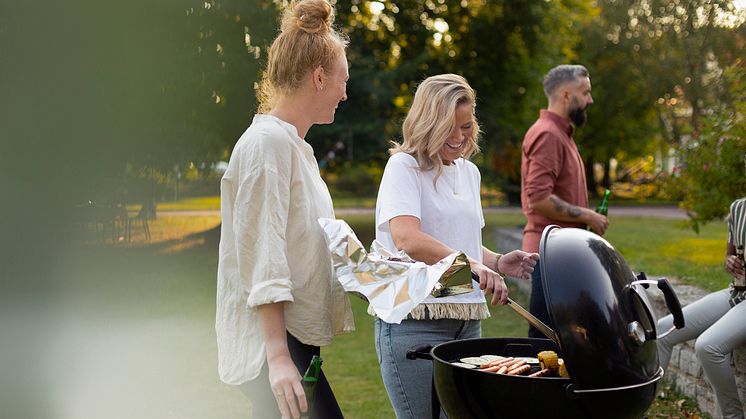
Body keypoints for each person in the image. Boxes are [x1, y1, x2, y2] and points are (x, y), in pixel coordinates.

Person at [215, 1, 353, 418]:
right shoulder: (267, 144)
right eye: (342, 81)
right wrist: (277, 357)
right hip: (272, 345)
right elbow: (264, 252)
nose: (345, 93)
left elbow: (304, 240)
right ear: (318, 77)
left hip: (293, 343)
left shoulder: (294, 147)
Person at [374, 73, 539, 419]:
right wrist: (471, 264)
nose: (458, 136)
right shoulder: (403, 167)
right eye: (449, 126)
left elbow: (463, 244)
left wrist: (495, 262)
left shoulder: (469, 173)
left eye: (465, 126)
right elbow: (407, 237)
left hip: (467, 321)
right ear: (427, 121)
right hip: (415, 320)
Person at [520, 64, 609, 338]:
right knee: (546, 345)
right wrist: (588, 215)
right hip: (551, 257)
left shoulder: (561, 133)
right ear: (566, 95)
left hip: (561, 255)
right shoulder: (548, 134)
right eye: (586, 92)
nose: (590, 100)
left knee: (566, 344)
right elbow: (538, 199)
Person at [657, 197, 746, 419]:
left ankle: (733, 416)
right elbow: (730, 254)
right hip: (738, 291)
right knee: (664, 329)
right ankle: (641, 404)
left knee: (708, 346)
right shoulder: (738, 207)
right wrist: (730, 261)